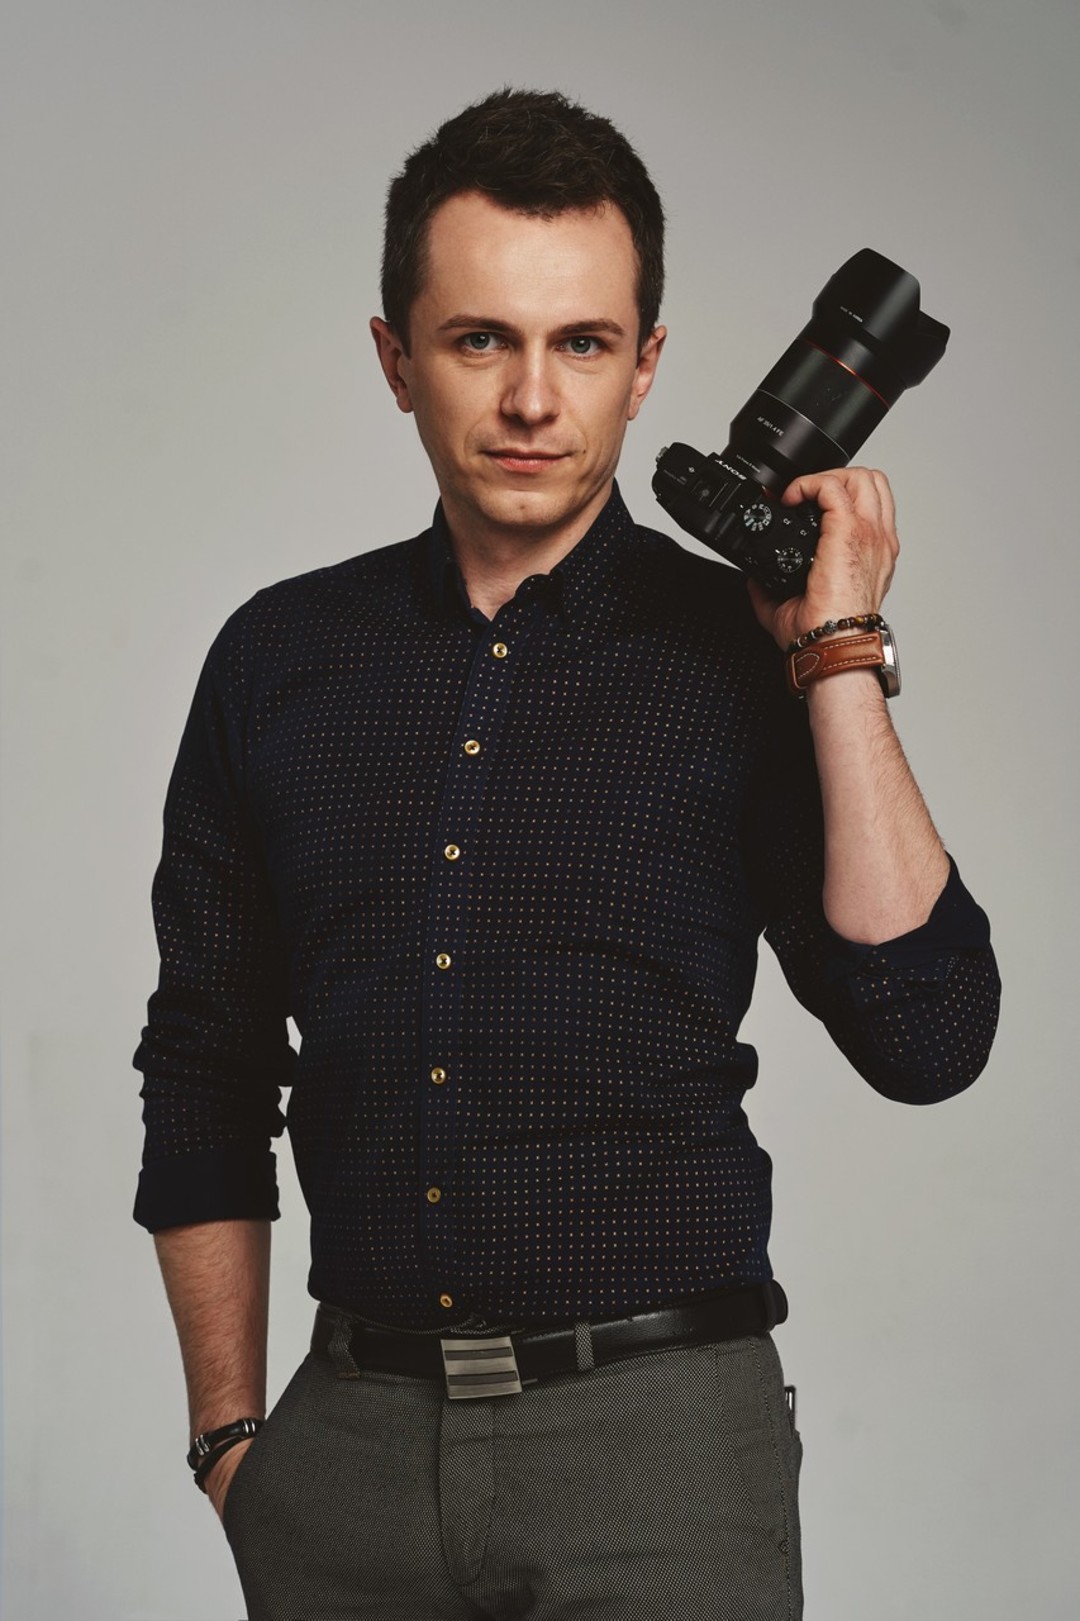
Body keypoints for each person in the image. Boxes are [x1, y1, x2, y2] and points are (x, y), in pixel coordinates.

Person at [132, 88, 1000, 1621]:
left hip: (660, 1460)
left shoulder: (738, 656)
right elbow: (206, 1058)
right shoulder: (276, 661)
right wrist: (231, 1442)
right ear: (396, 358)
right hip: (347, 1461)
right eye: (481, 340)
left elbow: (928, 1036)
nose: (534, 398)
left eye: (583, 343)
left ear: (646, 362)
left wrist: (837, 651)